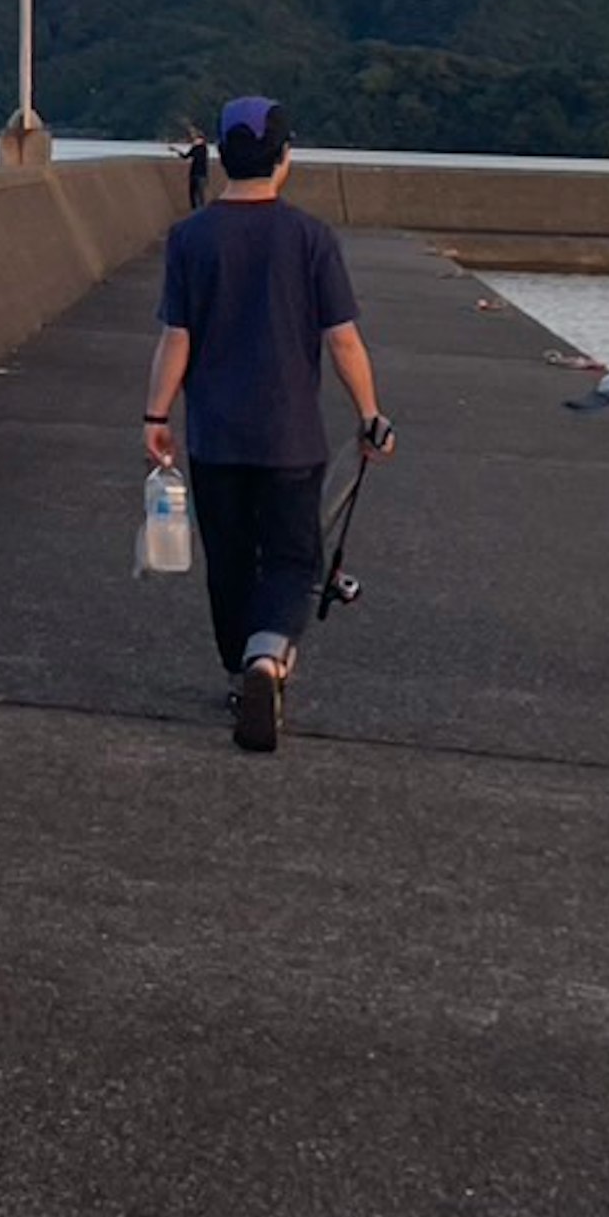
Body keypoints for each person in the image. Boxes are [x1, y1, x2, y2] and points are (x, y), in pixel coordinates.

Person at [143, 95, 393, 753]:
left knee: (228, 560)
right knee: (290, 557)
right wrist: (371, 414)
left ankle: (239, 668)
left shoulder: (190, 236)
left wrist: (156, 413)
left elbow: (177, 337)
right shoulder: (311, 237)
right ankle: (267, 657)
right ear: (285, 158)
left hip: (216, 438)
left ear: (221, 155)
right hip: (291, 440)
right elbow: (343, 341)